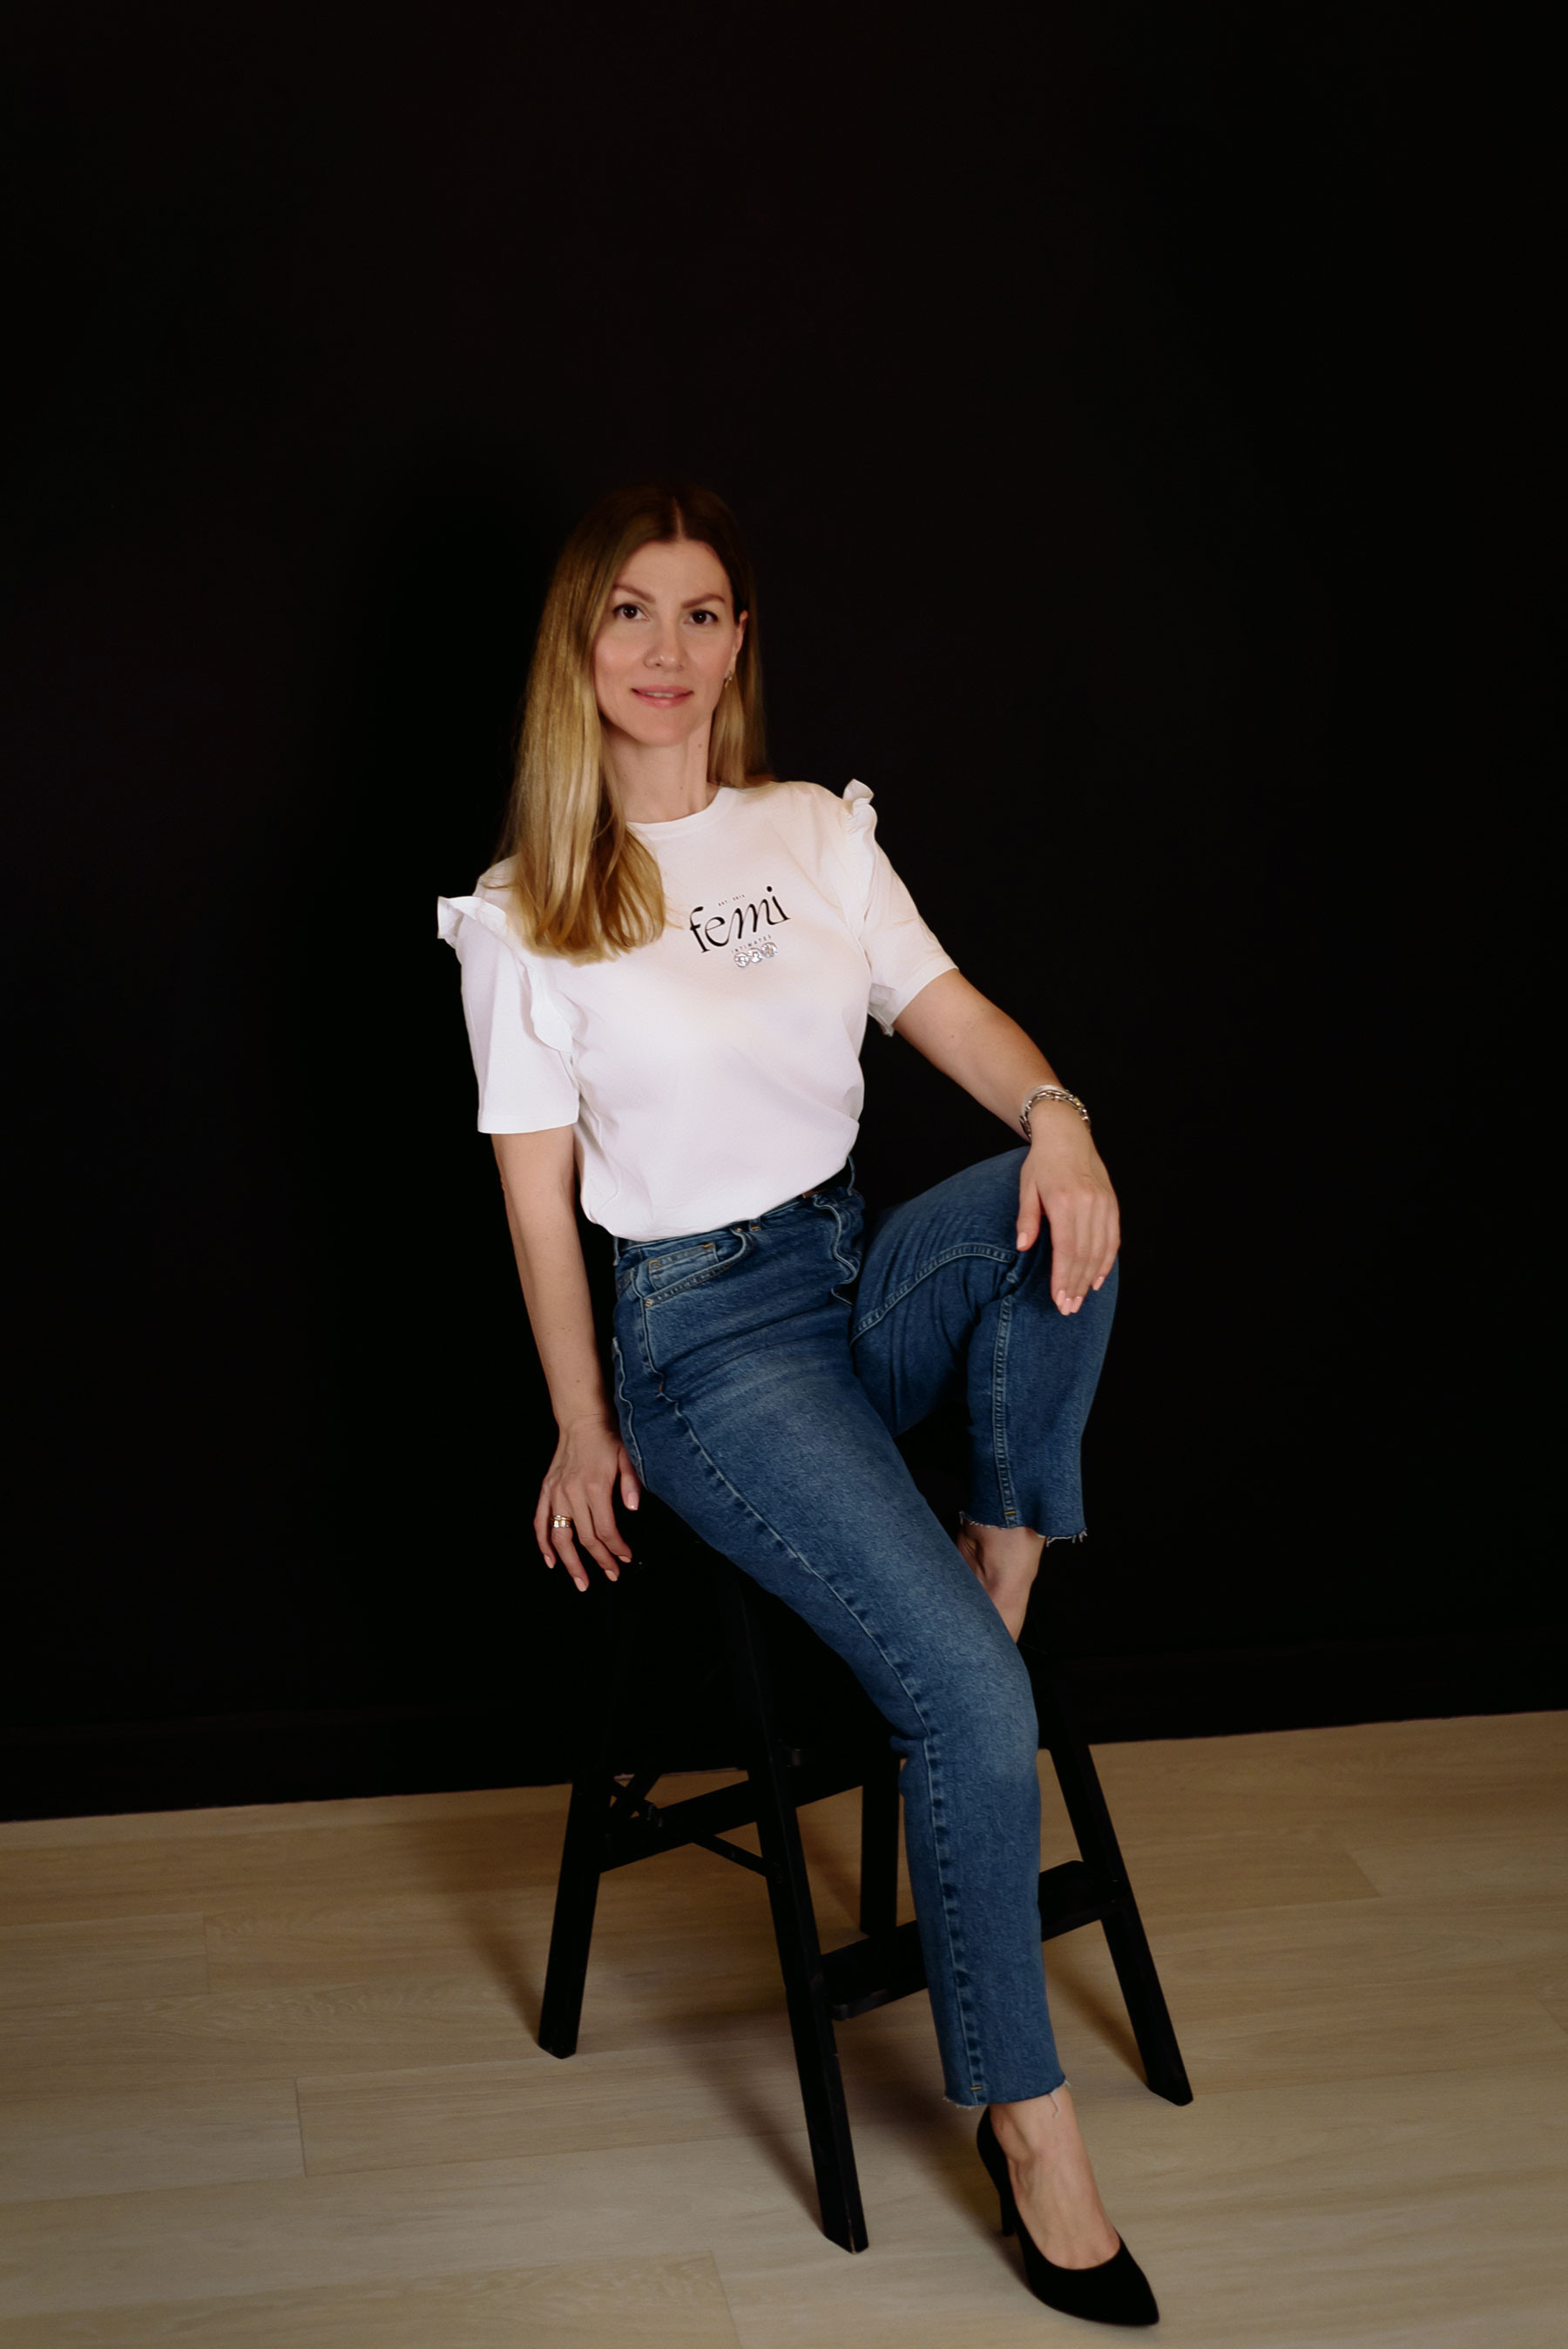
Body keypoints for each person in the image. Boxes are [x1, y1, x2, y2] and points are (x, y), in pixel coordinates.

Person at [437, 481, 1158, 2328]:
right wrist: (581, 1421)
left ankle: (1008, 1524)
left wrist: (1059, 1111)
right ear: (579, 644)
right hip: (703, 1346)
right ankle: (1033, 2130)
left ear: (740, 641)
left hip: (848, 1276)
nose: (665, 650)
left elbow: (952, 1010)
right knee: (969, 1695)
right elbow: (537, 1204)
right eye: (629, 612)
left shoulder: (814, 831)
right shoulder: (530, 909)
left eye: (701, 613)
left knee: (1061, 1199)